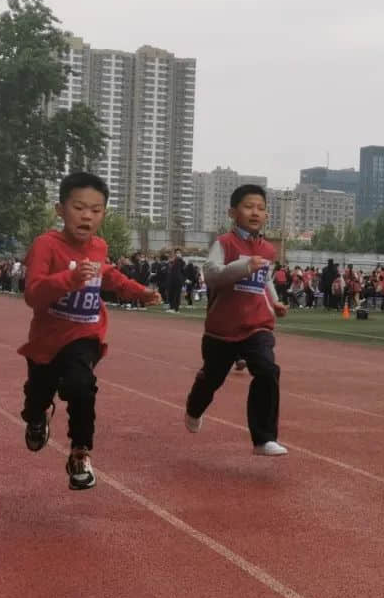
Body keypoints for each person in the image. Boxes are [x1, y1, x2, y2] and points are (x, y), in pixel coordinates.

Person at [17, 172, 161, 490]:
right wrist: (70, 279)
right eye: (79, 207)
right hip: (46, 340)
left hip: (85, 334)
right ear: (60, 209)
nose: (87, 215)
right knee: (37, 395)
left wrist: (140, 292)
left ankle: (80, 451)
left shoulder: (98, 246)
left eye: (96, 210)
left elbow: (109, 276)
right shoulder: (46, 246)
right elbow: (33, 294)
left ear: (103, 214)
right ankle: (36, 417)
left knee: (82, 385)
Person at [184, 184, 289, 456]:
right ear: (233, 212)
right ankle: (194, 407)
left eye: (261, 208)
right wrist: (244, 266)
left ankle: (263, 439)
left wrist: (274, 300)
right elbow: (212, 275)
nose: (255, 212)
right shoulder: (224, 243)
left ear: (267, 215)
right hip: (222, 329)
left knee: (268, 370)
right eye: (248, 206)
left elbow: (264, 280)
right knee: (212, 379)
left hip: (257, 325)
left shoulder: (267, 249)